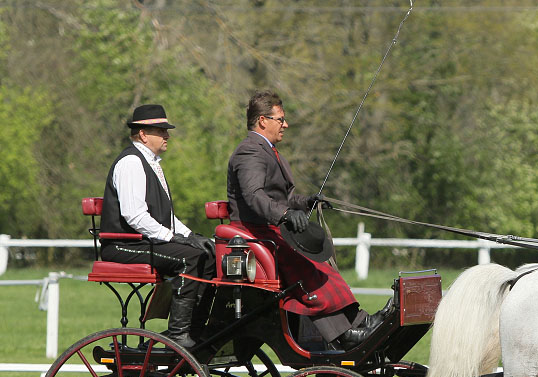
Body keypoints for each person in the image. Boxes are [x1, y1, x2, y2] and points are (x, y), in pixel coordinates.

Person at [226, 90, 384, 349]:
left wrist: (306, 202)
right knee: (305, 262)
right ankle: (342, 335)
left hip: (271, 227)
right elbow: (254, 196)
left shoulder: (269, 151)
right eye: (280, 119)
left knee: (322, 259)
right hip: (256, 231)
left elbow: (282, 198)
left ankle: (358, 321)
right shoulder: (250, 152)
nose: (285, 124)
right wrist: (286, 215)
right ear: (263, 121)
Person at [100, 104, 215, 348]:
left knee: (208, 253)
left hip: (142, 241)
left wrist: (191, 235)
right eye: (161, 130)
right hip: (122, 245)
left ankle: (196, 328)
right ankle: (178, 334)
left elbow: (165, 216)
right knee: (190, 258)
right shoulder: (131, 162)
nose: (167, 136)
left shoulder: (151, 163)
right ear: (143, 134)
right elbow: (135, 216)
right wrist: (173, 238)